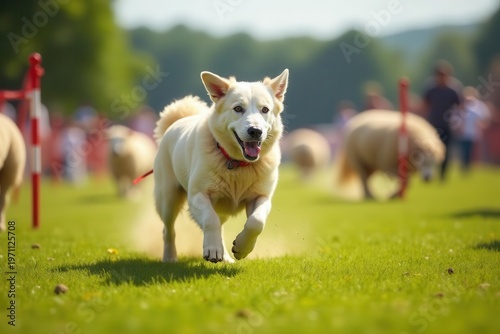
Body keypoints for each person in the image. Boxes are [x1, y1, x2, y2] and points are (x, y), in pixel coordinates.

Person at [421, 60, 462, 181]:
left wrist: (458, 123)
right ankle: (428, 174)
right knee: (429, 151)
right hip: (432, 124)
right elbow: (425, 106)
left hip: (447, 126)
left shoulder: (454, 89)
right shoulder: (430, 89)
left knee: (446, 151)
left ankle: (442, 175)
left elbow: (460, 107)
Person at [457, 86, 490, 173]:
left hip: (474, 134)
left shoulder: (479, 106)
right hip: (463, 134)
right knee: (464, 152)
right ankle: (464, 167)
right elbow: (457, 118)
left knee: (472, 152)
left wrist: (482, 126)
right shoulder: (462, 106)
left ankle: (469, 167)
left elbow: (484, 118)